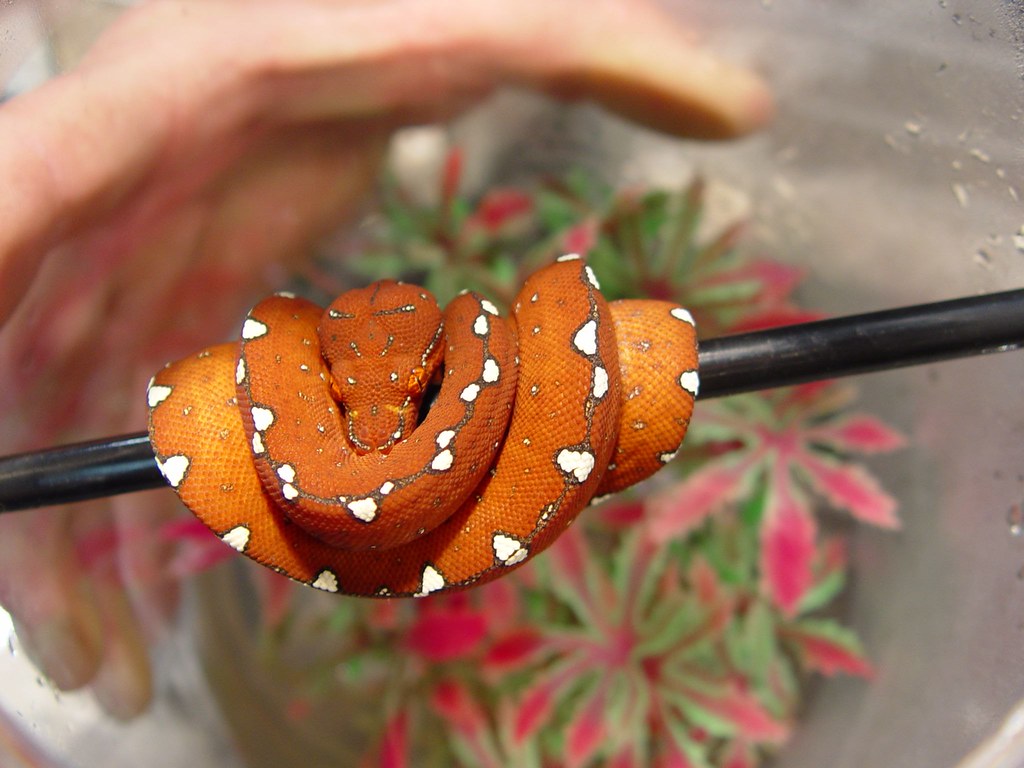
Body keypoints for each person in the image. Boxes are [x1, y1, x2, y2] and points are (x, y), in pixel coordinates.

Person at [0, 0, 771, 720]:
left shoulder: (472, 336)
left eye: (411, 392)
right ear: (322, 357)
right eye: (344, 399)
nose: (375, 434)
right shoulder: (354, 354)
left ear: (444, 347)